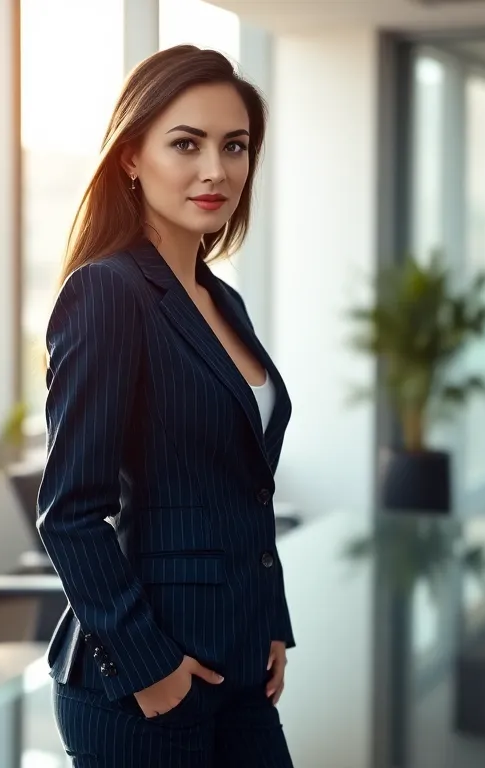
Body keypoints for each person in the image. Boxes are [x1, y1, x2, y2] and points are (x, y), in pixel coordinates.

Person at [35, 44, 295, 767]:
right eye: (187, 143)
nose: (217, 170)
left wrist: (270, 621)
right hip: (146, 682)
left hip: (240, 660)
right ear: (131, 157)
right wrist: (147, 664)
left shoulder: (222, 299)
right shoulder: (107, 292)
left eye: (234, 146)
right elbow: (70, 510)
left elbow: (241, 488)